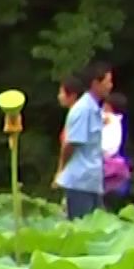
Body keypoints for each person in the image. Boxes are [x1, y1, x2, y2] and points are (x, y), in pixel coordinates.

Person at [56, 61, 113, 218]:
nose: (110, 86)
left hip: (91, 181)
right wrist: (62, 169)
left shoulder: (93, 108)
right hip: (80, 181)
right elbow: (71, 143)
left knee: (96, 229)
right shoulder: (83, 109)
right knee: (82, 229)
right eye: (108, 81)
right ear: (96, 83)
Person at [102, 92, 132, 203]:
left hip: (104, 163)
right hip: (116, 165)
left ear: (109, 106)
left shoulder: (109, 118)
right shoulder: (119, 122)